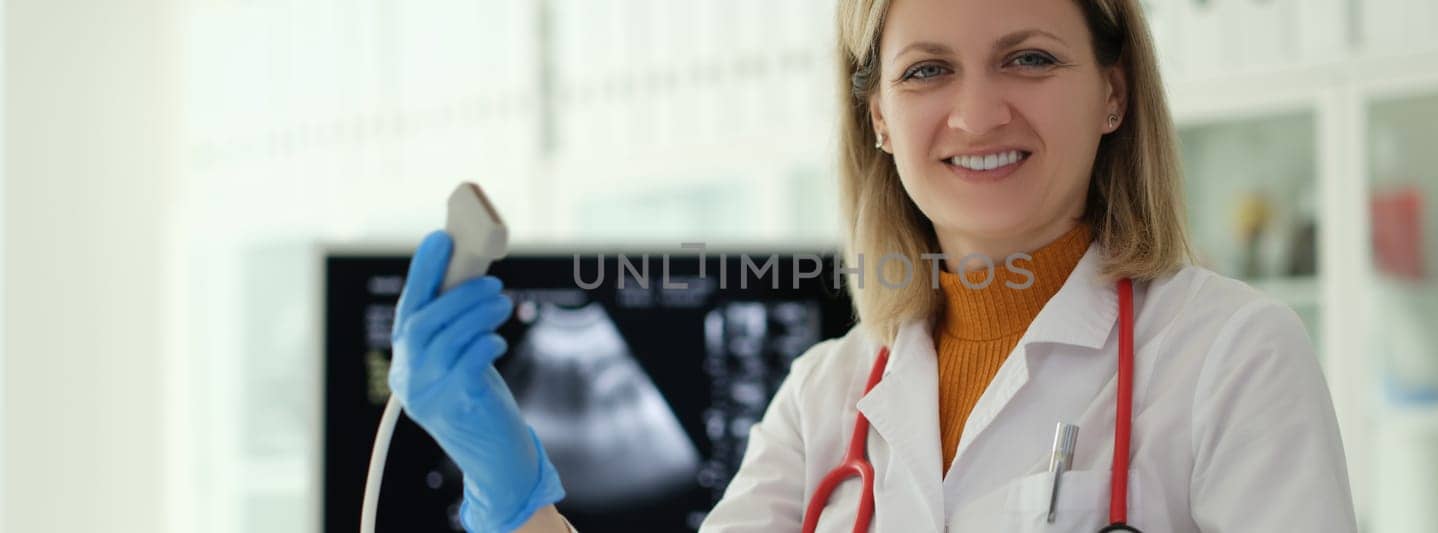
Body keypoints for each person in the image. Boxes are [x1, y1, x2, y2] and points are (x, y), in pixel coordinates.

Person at [387, 0, 1359, 531]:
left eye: (1028, 58)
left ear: (1112, 90)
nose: (978, 114)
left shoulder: (1229, 355)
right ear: (880, 120)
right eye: (928, 69)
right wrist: (507, 490)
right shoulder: (830, 392)